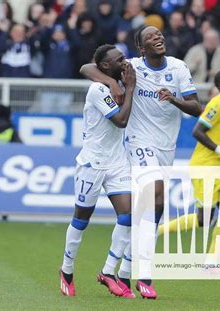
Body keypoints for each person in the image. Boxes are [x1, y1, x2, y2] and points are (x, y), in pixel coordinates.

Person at [80, 25, 201, 299]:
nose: (158, 37)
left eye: (160, 33)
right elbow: (86, 68)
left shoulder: (179, 69)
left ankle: (119, 271)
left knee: (148, 210)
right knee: (155, 196)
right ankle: (143, 274)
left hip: (166, 147)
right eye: (150, 37)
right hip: (138, 142)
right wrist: (112, 82)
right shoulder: (131, 67)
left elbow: (197, 107)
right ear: (142, 48)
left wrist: (174, 100)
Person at [59, 44, 136, 298]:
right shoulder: (97, 89)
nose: (125, 62)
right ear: (105, 66)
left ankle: (108, 271)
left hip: (117, 162)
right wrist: (128, 87)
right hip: (92, 163)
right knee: (81, 220)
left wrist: (121, 83)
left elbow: (88, 67)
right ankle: (67, 270)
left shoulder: (119, 78)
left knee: (128, 215)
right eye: (119, 59)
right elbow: (121, 120)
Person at [157, 69, 220, 262]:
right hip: (204, 166)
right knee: (204, 220)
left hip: (219, 167)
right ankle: (157, 230)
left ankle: (211, 262)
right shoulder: (218, 103)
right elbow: (197, 131)